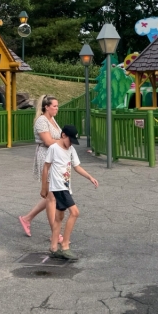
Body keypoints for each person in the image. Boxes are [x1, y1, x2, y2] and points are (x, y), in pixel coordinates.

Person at [41, 124, 98, 260]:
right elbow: (46, 167)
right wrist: (44, 187)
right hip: (58, 187)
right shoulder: (54, 148)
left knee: (59, 217)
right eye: (69, 140)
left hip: (66, 186)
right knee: (75, 212)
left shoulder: (71, 149)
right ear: (63, 135)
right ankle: (65, 246)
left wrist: (90, 177)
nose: (70, 143)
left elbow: (76, 166)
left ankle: (54, 247)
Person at [18, 95, 62, 237]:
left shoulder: (52, 119)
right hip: (45, 156)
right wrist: (64, 141)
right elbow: (48, 141)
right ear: (46, 107)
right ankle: (55, 233)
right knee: (51, 197)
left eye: (57, 106)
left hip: (55, 156)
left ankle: (27, 218)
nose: (57, 108)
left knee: (52, 195)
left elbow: (56, 138)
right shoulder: (41, 121)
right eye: (54, 106)